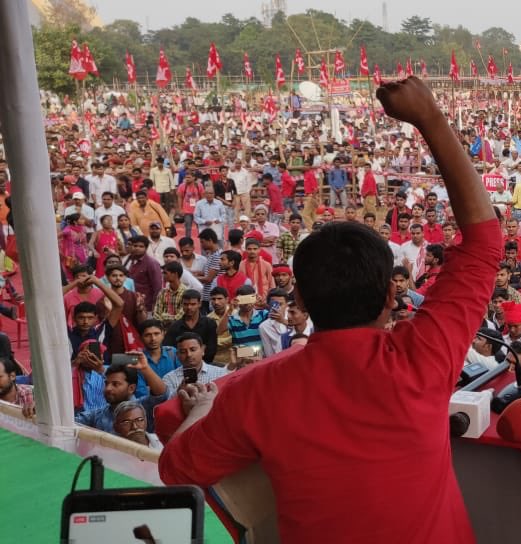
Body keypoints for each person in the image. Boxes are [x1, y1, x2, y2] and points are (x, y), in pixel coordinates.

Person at [158, 78, 501, 543]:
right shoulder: (426, 356)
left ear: (297, 298)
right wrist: (429, 117)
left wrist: (203, 407)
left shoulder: (254, 392)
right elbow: (484, 241)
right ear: (389, 296)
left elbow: (176, 468)